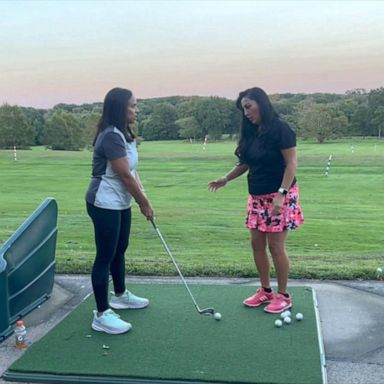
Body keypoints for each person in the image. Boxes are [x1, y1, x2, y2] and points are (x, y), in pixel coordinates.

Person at [208, 87, 303, 314]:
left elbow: (291, 164)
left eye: (249, 106)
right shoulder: (252, 132)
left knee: (276, 246)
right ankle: (265, 291)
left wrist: (281, 194)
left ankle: (283, 296)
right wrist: (226, 179)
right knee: (257, 245)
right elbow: (246, 162)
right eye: (244, 110)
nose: (247, 113)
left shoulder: (280, 129)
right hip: (257, 196)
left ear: (261, 103)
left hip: (280, 194)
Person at [85, 87, 154, 334]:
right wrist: (143, 203)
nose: (137, 110)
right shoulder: (111, 136)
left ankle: (120, 295)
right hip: (103, 201)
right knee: (105, 254)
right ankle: (102, 313)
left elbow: (133, 171)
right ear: (119, 108)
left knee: (119, 248)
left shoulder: (125, 134)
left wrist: (143, 197)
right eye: (133, 105)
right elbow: (123, 174)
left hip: (120, 201)